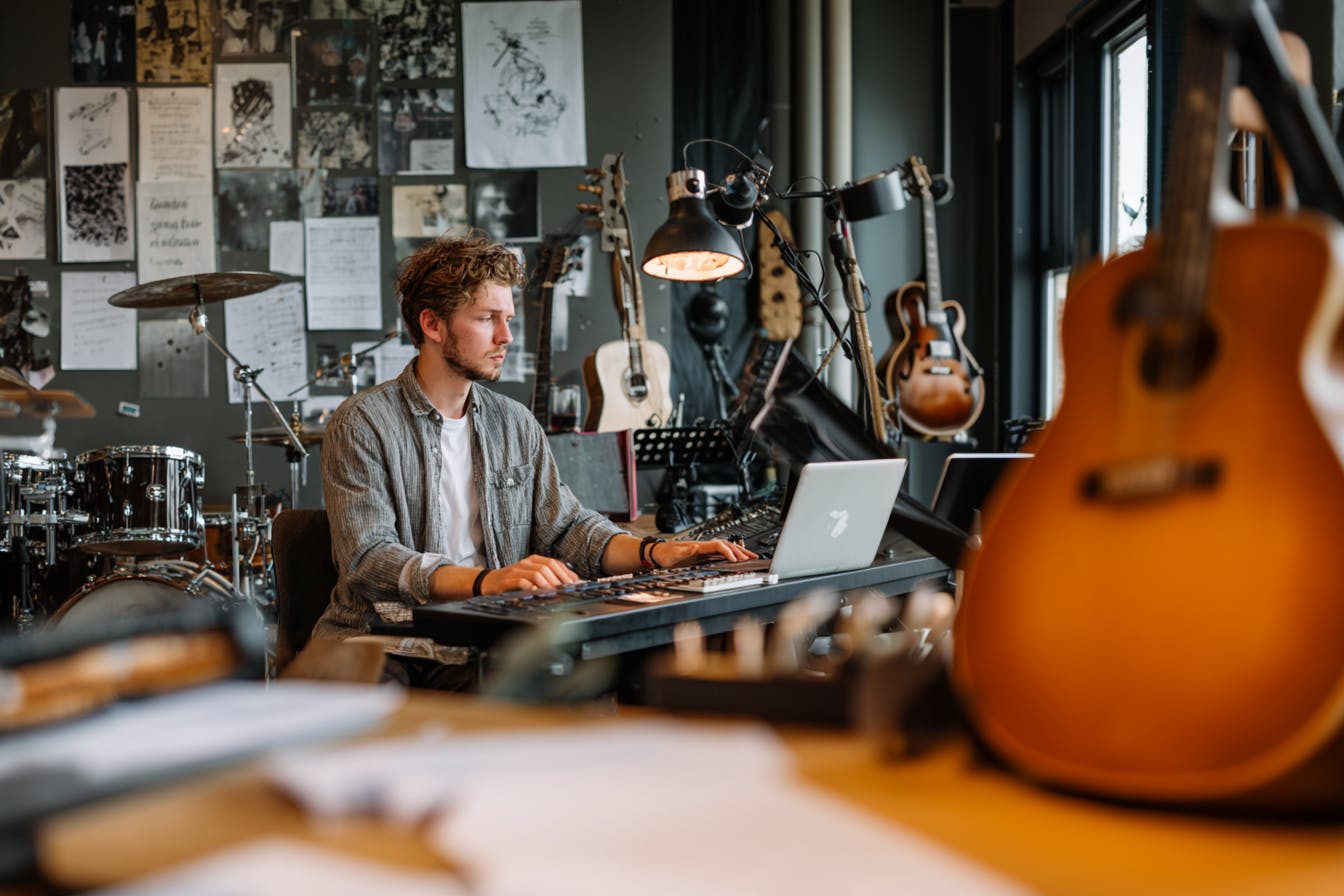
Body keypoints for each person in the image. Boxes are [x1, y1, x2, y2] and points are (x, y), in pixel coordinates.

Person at [312, 233, 752, 687]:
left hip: (486, 637)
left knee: (602, 684)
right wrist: (489, 582)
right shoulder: (362, 423)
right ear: (432, 324)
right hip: (386, 637)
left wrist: (656, 553)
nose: (505, 337)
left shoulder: (514, 423)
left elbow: (568, 527)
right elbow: (369, 557)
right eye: (487, 319)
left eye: (508, 319)